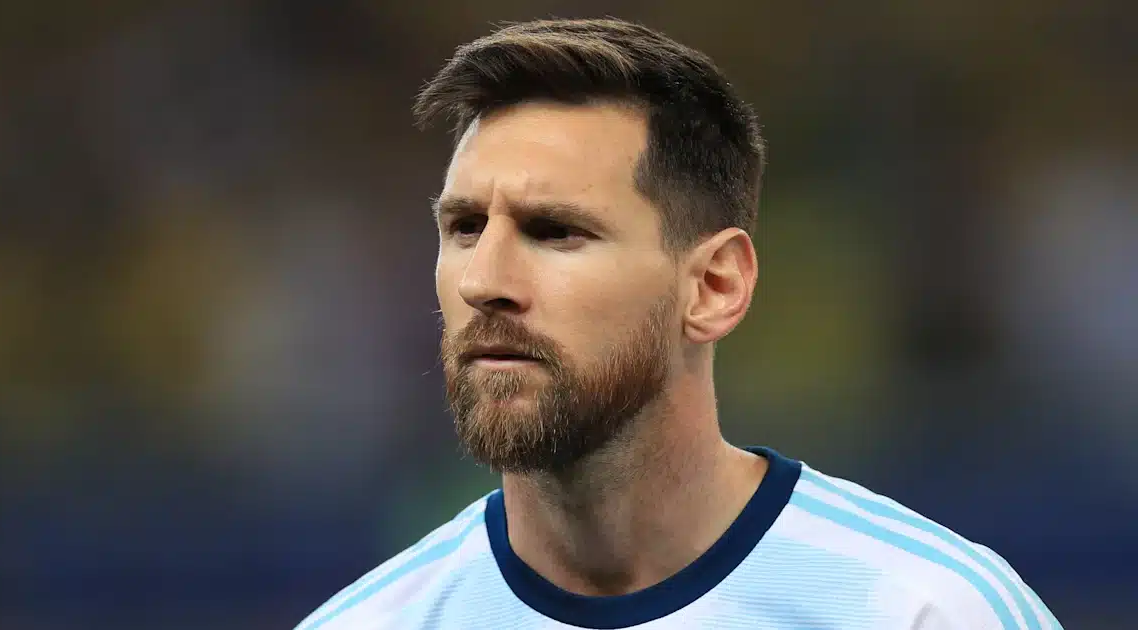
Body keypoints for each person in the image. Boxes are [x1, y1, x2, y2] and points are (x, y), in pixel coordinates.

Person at [296, 17, 1061, 630]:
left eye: (555, 231)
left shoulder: (925, 610)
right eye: (464, 227)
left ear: (715, 286)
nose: (483, 282)